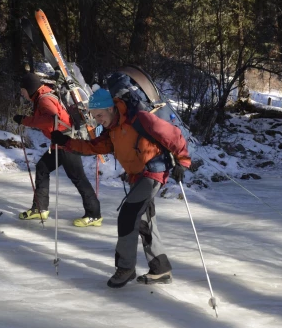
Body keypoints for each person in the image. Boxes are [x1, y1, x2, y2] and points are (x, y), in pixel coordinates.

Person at [51, 87, 191, 288]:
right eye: (94, 116)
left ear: (111, 109)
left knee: (128, 215)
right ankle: (160, 268)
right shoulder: (113, 129)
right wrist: (67, 142)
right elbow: (95, 147)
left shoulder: (140, 119)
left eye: (100, 115)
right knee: (143, 220)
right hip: (137, 176)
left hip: (153, 171)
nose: (98, 119)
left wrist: (182, 162)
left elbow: (173, 134)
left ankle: (126, 268)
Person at [13, 73, 102, 227]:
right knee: (42, 168)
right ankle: (40, 208)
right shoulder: (43, 96)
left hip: (67, 142)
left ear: (30, 88)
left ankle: (94, 214)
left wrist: (25, 120)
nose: (22, 93)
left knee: (78, 178)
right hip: (60, 142)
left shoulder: (44, 99)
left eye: (23, 90)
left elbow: (51, 119)